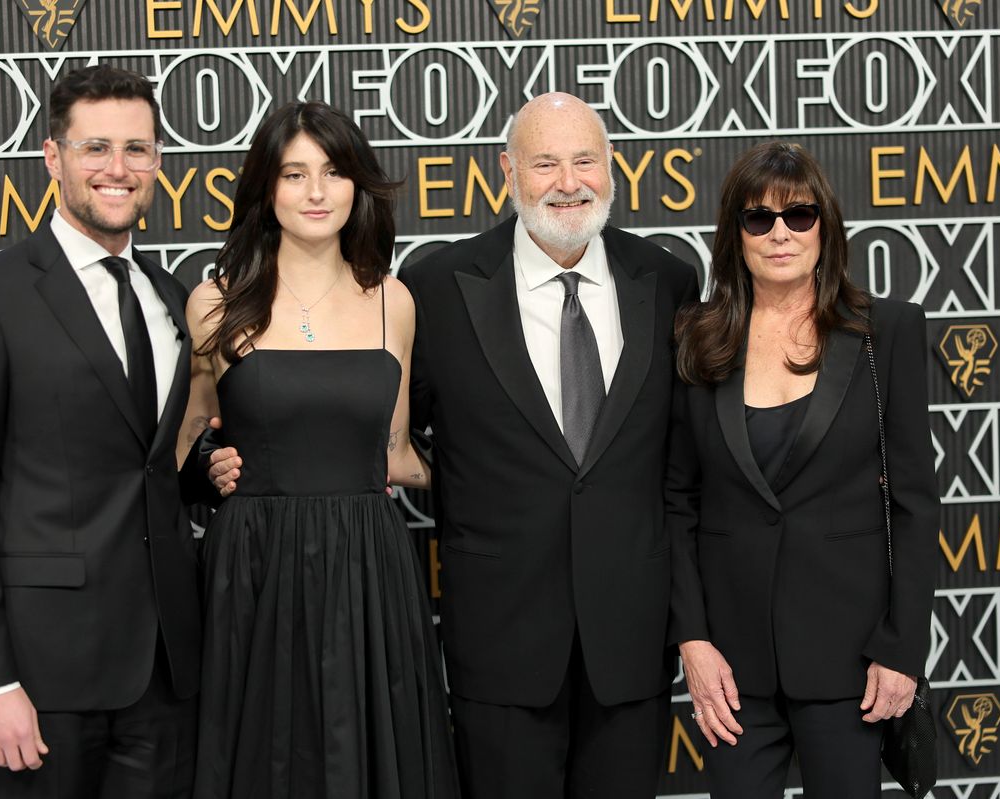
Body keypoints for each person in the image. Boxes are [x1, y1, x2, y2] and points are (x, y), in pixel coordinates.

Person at [204, 91, 700, 797]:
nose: (568, 182)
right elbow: (383, 432)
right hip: (498, 642)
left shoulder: (669, 280)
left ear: (612, 168)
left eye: (586, 160)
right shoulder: (435, 288)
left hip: (633, 643)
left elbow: (683, 467)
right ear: (507, 170)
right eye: (546, 162)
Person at [0, 65, 201, 798]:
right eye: (95, 147)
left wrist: (210, 468)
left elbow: (146, 464)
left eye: (137, 149)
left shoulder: (170, 295)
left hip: (167, 670)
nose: (118, 168)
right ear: (54, 158)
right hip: (43, 676)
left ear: (158, 162)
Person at [179, 100, 457, 798]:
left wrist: (505, 474)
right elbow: (187, 444)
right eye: (294, 174)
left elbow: (394, 452)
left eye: (333, 172)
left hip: (369, 563)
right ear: (265, 189)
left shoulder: (393, 299)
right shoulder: (214, 302)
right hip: (254, 561)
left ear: (357, 185)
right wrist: (206, 470)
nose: (315, 192)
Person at [667, 142, 940, 798]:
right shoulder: (698, 338)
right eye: (758, 219)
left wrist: (903, 648)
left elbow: (915, 501)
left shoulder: (887, 332)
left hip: (852, 659)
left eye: (799, 215)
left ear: (827, 226)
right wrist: (694, 641)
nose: (780, 233)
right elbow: (677, 500)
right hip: (733, 667)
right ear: (735, 234)